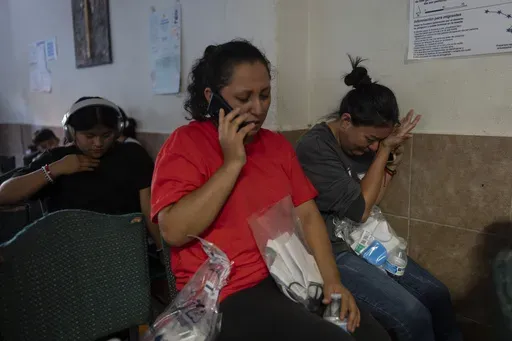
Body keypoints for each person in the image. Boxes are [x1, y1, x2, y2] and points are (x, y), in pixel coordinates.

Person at [150, 40, 390, 341]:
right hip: (224, 294)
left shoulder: (275, 146)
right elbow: (173, 231)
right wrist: (232, 162)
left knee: (373, 336)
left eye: (265, 95)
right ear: (211, 98)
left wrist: (333, 281)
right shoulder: (185, 144)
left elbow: (309, 216)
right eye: (244, 97)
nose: (258, 108)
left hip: (290, 276)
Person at [296, 56, 462, 341]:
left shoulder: (365, 144)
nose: (372, 147)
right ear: (346, 121)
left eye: (378, 142)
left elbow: (371, 200)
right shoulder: (315, 148)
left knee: (437, 295)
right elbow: (359, 211)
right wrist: (384, 150)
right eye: (370, 139)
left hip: (363, 241)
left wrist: (389, 161)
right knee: (412, 315)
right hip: (333, 251)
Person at [0, 96, 162, 250]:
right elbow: (4, 194)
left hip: (124, 250)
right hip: (69, 253)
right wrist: (55, 169)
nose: (98, 143)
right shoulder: (56, 158)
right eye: (89, 136)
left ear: (117, 131)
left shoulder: (133, 155)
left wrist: (162, 250)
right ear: (71, 132)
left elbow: (149, 210)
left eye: (106, 135)